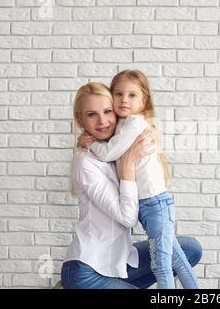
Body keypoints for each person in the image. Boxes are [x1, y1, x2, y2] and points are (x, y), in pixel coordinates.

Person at [60, 82, 202, 289]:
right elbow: (127, 218)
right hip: (88, 272)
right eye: (92, 114)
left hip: (121, 261)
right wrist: (128, 165)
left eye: (108, 111)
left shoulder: (115, 146)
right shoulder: (86, 163)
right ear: (79, 119)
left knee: (190, 249)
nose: (102, 121)